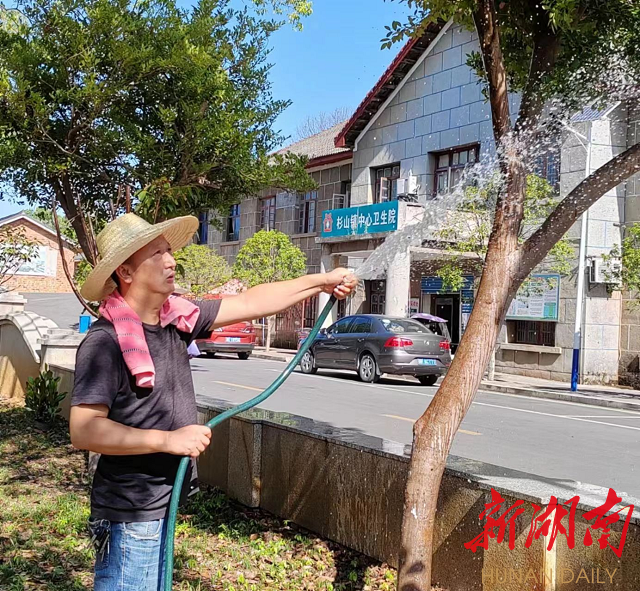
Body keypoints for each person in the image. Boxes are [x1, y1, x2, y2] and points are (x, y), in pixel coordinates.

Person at [69, 213, 356, 591]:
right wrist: (168, 440)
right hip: (130, 513)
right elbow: (84, 430)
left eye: (170, 251)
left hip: (159, 508)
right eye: (157, 254)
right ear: (125, 271)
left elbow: (252, 301)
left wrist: (320, 281)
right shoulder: (105, 342)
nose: (171, 261)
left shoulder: (176, 320)